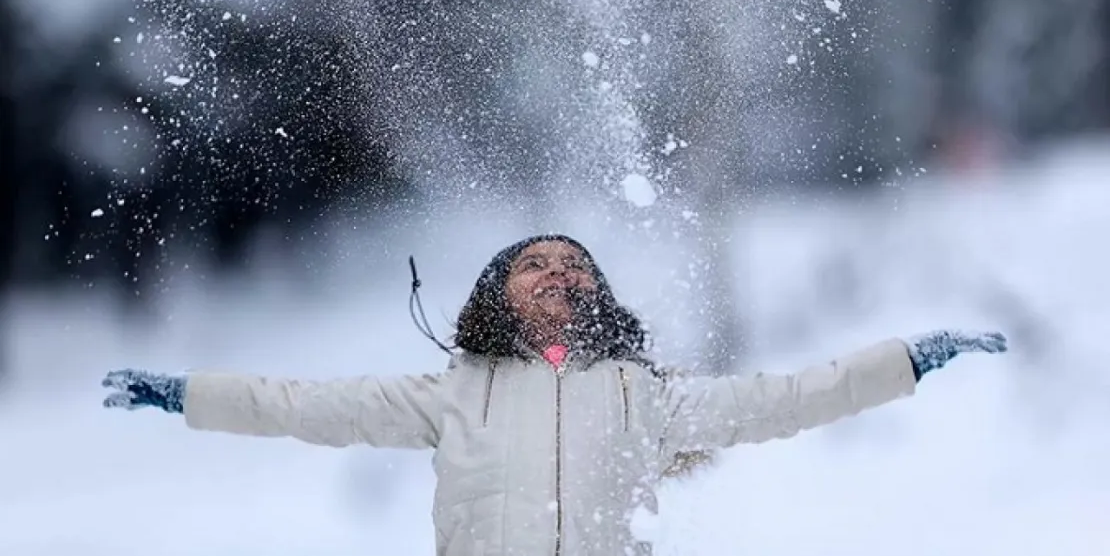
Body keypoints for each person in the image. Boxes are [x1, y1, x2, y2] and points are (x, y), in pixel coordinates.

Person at [102, 234, 1007, 556]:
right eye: (535, 262)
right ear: (498, 292)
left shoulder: (644, 397)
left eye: (576, 265)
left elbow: (788, 397)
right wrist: (187, 393)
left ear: (598, 295)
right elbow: (300, 402)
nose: (558, 273)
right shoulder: (450, 393)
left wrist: (907, 360)